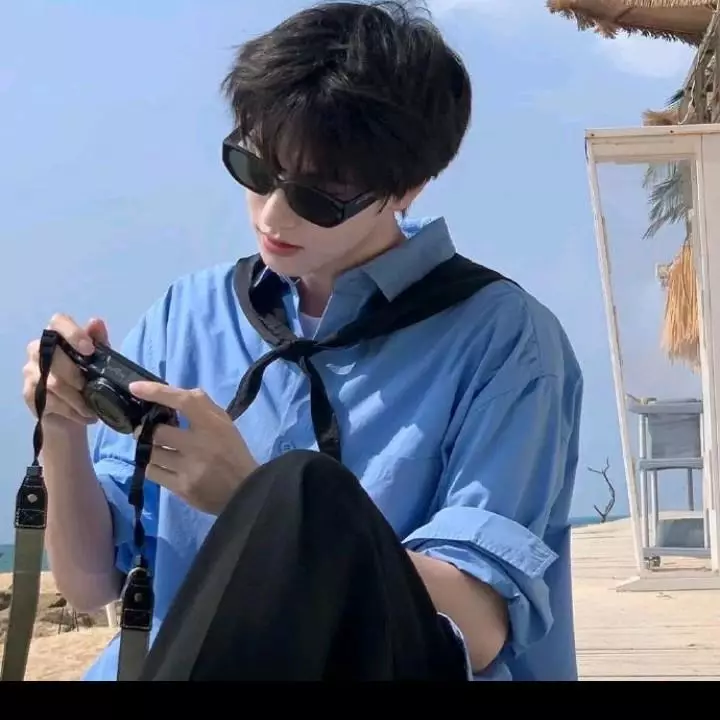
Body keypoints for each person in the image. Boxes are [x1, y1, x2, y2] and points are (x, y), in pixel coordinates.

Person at [21, 0, 583, 681]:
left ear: (408, 187)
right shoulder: (191, 312)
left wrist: (254, 502)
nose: (274, 215)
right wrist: (61, 429)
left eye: (319, 196)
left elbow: (479, 624)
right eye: (255, 170)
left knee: (304, 487)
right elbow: (89, 585)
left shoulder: (504, 342)